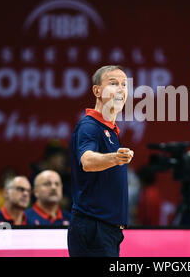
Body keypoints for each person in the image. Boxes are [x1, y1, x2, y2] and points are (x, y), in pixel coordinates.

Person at [68, 65, 134, 257]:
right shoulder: (90, 127)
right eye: (113, 84)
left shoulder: (110, 130)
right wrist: (115, 158)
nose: (121, 89)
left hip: (107, 231)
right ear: (97, 90)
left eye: (124, 84)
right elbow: (87, 161)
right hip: (93, 228)